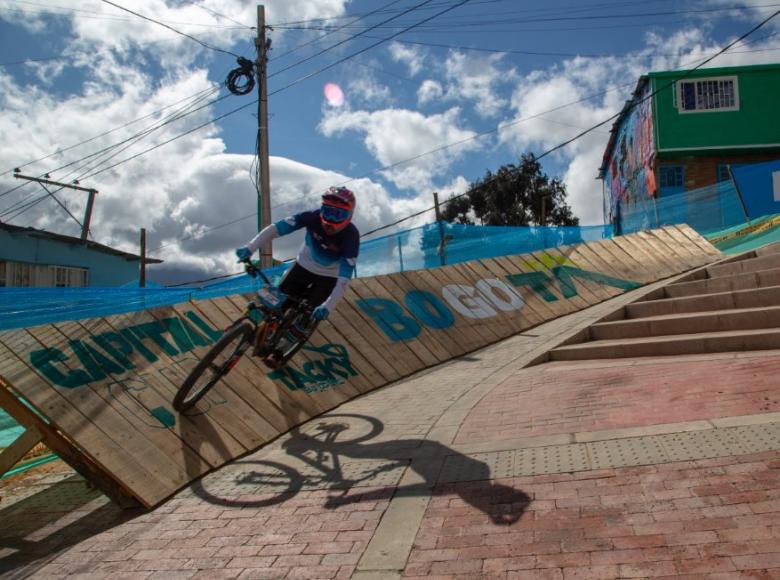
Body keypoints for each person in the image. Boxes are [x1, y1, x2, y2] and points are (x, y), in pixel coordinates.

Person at [235, 186, 359, 331]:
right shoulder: (312, 217)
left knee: (303, 322)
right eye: (327, 212)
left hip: (328, 277)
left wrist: (328, 306)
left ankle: (289, 340)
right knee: (275, 305)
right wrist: (250, 247)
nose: (330, 220)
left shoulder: (351, 237)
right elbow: (275, 229)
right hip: (302, 267)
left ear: (349, 216)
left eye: (337, 214)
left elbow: (344, 280)